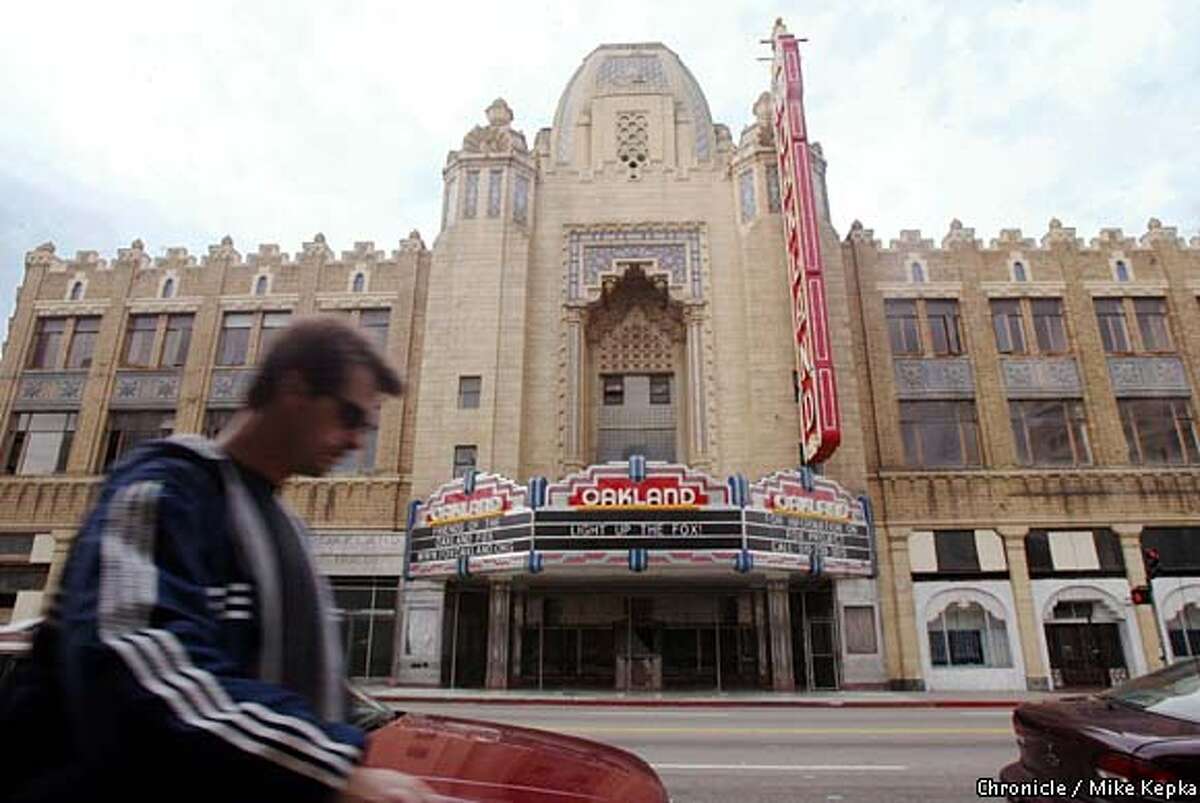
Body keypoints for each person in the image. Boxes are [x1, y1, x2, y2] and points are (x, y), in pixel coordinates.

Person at [1, 316, 435, 802]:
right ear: (293, 386)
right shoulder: (164, 489)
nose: (358, 441)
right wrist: (333, 771)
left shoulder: (283, 525)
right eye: (349, 417)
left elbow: (307, 686)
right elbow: (136, 667)